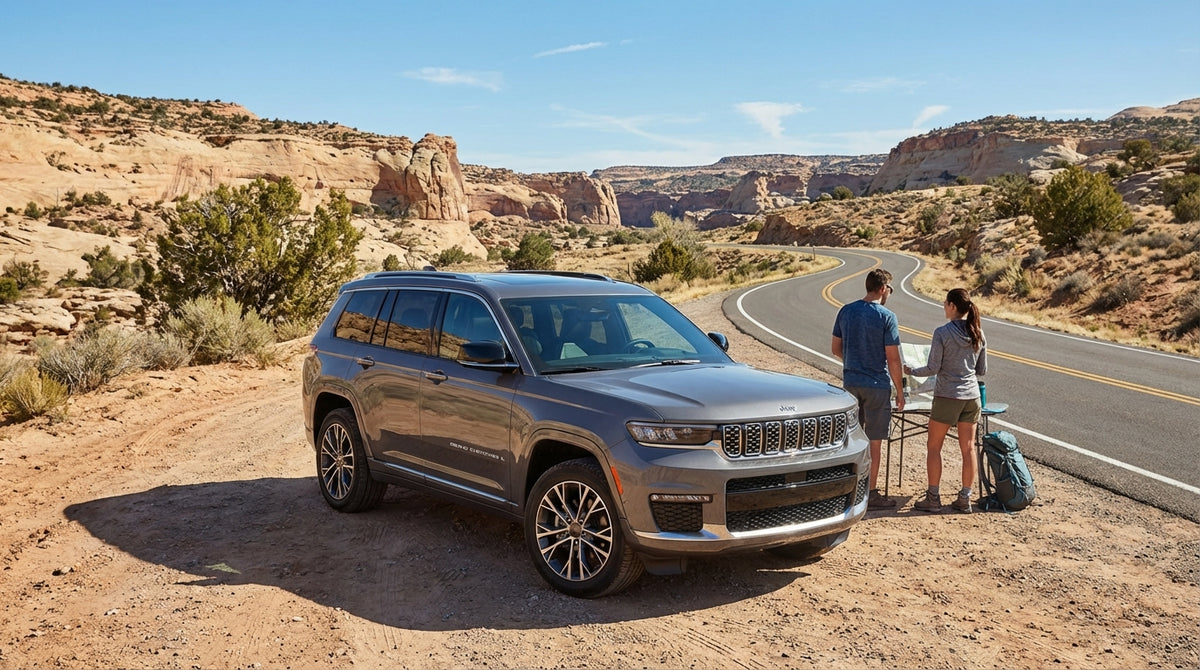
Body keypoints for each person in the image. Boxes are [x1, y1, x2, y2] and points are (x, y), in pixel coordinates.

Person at [905, 288, 987, 514]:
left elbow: (933, 368)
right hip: (971, 397)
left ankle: (933, 497)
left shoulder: (942, 333)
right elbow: (982, 369)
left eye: (945, 302)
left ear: (952, 306)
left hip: (947, 396)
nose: (943, 305)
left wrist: (910, 370)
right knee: (968, 448)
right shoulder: (977, 332)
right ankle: (965, 498)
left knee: (934, 446)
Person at [832, 268, 906, 510]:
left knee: (851, 439)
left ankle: (848, 489)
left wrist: (853, 361)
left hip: (851, 384)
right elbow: (893, 358)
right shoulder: (887, 316)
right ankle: (870, 493)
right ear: (883, 289)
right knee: (874, 441)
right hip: (877, 386)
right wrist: (900, 390)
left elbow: (835, 348)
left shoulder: (846, 311)